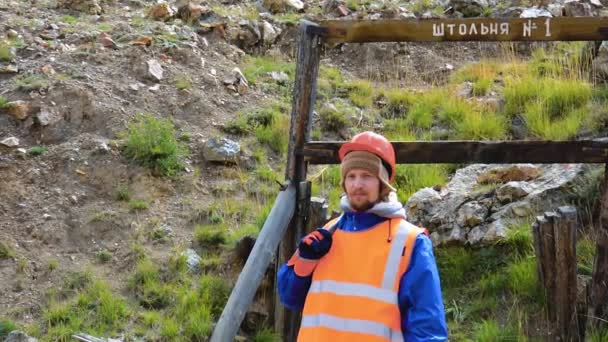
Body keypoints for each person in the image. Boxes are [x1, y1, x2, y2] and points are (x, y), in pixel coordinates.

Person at [277, 131, 448, 342]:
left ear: (382, 184)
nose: (357, 184)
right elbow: (289, 297)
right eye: (351, 176)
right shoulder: (328, 232)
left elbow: (427, 329)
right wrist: (304, 262)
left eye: (366, 176)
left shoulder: (412, 241)